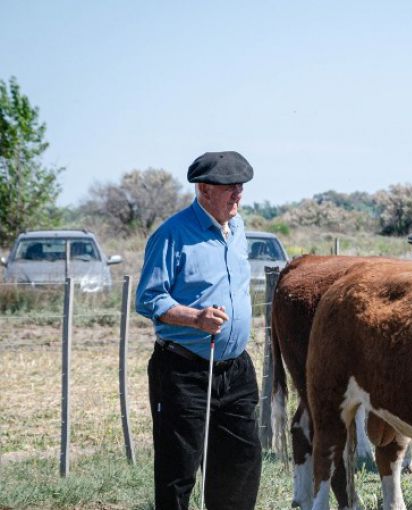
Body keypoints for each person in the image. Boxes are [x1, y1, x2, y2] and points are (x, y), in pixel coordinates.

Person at [136, 151, 261, 510]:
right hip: (184, 370)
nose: (238, 194)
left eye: (241, 187)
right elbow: (149, 299)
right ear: (204, 189)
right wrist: (196, 319)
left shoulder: (238, 229)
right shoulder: (172, 235)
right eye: (230, 188)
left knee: (241, 464)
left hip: (235, 369)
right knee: (179, 470)